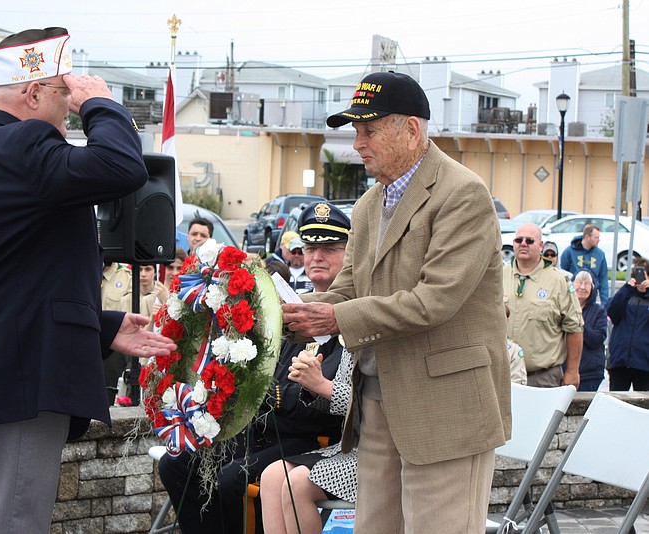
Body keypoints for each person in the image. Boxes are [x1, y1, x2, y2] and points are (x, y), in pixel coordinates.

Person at [0, 27, 177, 534]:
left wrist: (100, 327)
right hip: (15, 384)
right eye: (64, 94)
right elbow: (120, 168)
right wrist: (102, 105)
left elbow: (16, 282)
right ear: (33, 93)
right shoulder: (24, 142)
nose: (68, 109)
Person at [281, 71, 511, 533]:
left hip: (445, 409)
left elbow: (434, 301)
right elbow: (346, 289)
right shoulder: (369, 205)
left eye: (369, 129)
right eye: (355, 130)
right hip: (378, 404)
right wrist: (273, 308)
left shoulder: (463, 194)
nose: (357, 143)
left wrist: (335, 315)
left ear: (411, 129)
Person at [158, 201, 351, 534]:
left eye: (329, 248)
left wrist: (275, 394)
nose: (316, 256)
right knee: (176, 464)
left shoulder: (351, 313)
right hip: (264, 426)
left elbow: (330, 403)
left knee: (233, 479)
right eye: (310, 247)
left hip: (312, 436)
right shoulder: (288, 303)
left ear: (350, 255)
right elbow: (262, 363)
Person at [261, 346, 355, 534]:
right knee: (271, 477)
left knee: (297, 483)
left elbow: (372, 405)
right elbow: (338, 406)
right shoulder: (351, 342)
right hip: (348, 446)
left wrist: (322, 384)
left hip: (380, 450)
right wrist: (311, 386)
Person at [505, 223, 584, 388]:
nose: (523, 243)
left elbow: (574, 329)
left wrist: (572, 371)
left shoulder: (558, 281)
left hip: (542, 378)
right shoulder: (499, 275)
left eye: (530, 240)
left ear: (540, 245)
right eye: (519, 240)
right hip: (504, 374)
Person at [606, 258, 649, 391]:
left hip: (644, 364)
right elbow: (612, 312)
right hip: (619, 361)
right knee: (615, 403)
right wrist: (627, 288)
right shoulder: (625, 295)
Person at [571, 270, 607, 392]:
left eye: (587, 284)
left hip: (589, 373)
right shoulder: (563, 307)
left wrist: (578, 324)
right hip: (564, 370)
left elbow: (597, 339)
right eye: (579, 282)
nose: (582, 287)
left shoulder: (599, 311)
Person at [560, 224, 609, 303]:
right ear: (587, 237)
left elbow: (603, 280)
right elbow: (563, 275)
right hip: (572, 297)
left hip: (591, 298)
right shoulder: (569, 252)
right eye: (596, 237)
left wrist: (605, 304)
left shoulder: (600, 254)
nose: (598, 240)